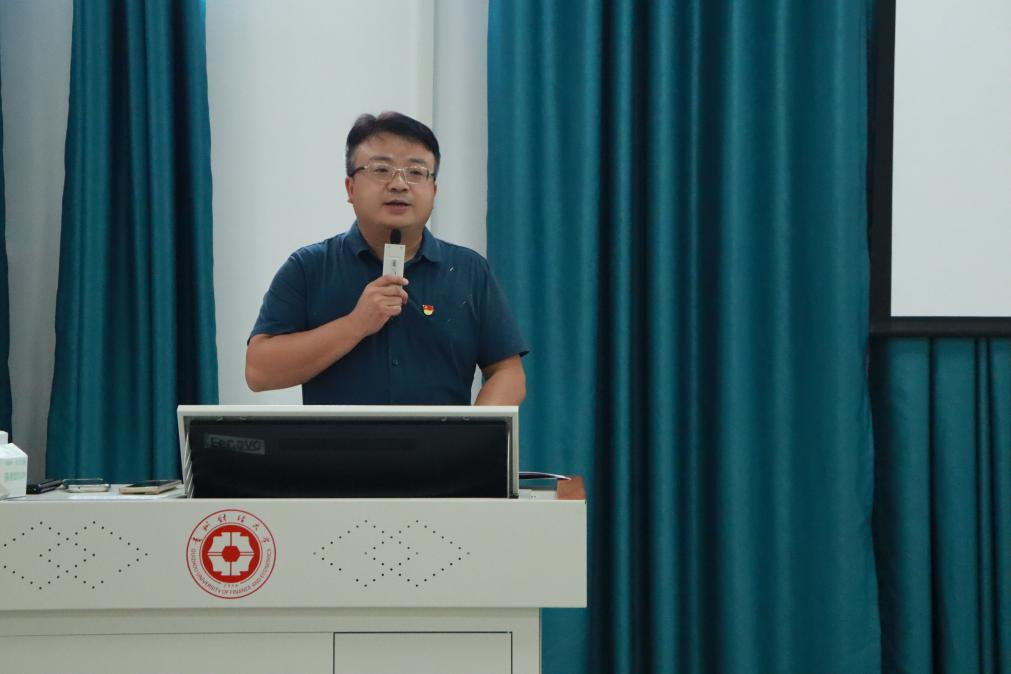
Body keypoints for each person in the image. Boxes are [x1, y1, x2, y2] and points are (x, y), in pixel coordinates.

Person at [245, 111, 527, 406]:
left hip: (442, 439)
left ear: (433, 191)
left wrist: (472, 429)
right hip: (338, 439)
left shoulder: (469, 271)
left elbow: (507, 372)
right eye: (381, 169)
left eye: (415, 172)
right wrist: (355, 325)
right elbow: (259, 371)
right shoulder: (308, 267)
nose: (399, 184)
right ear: (350, 188)